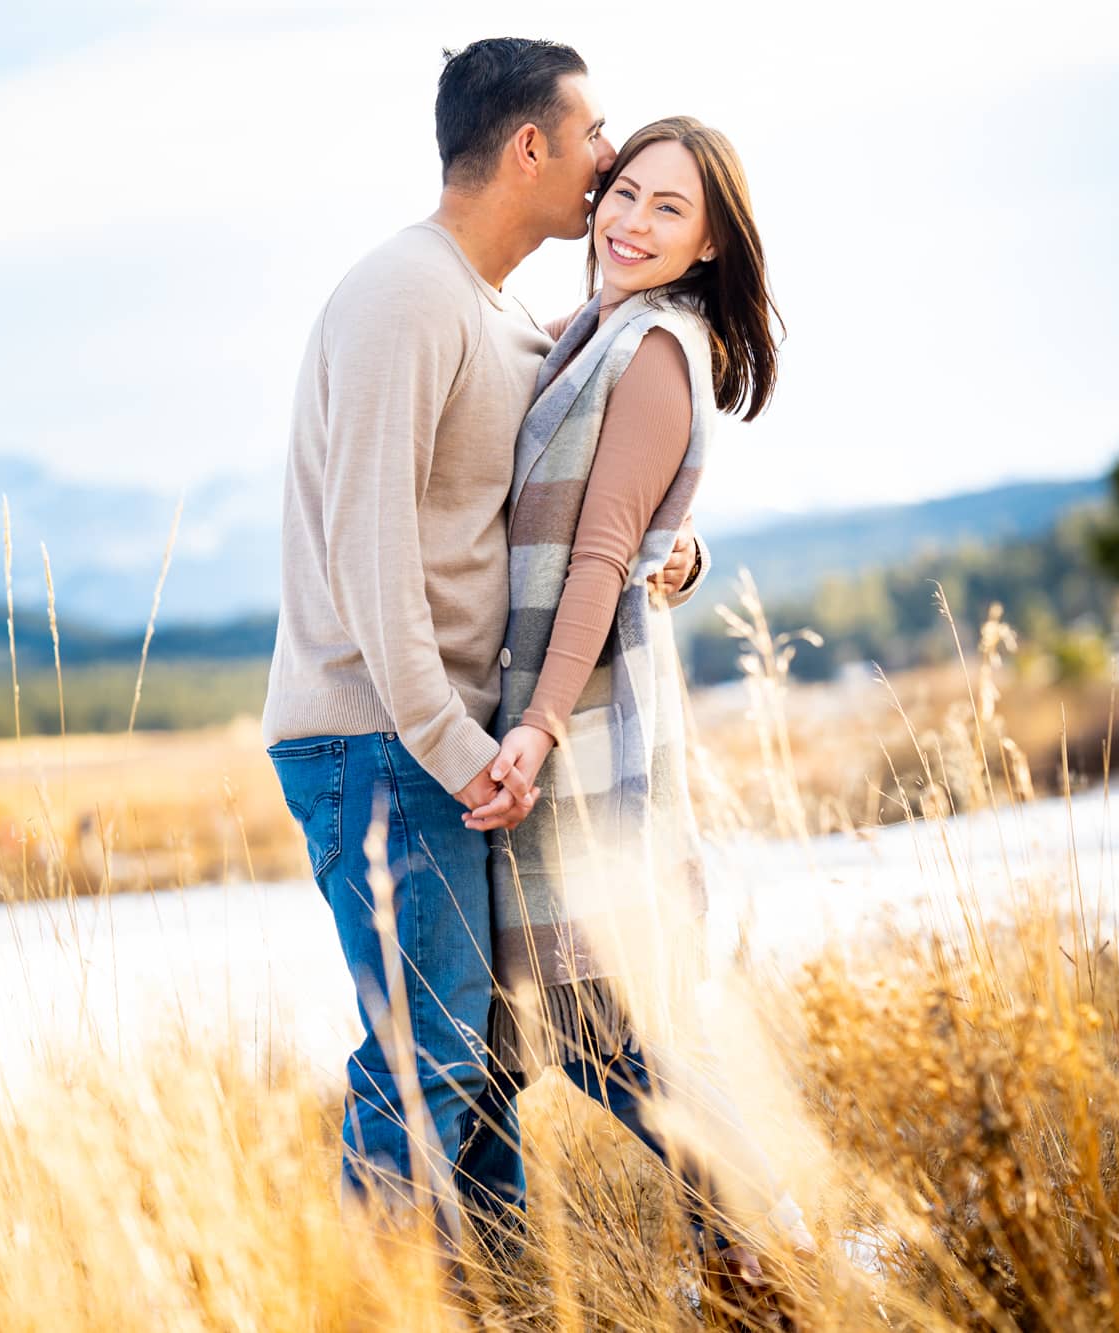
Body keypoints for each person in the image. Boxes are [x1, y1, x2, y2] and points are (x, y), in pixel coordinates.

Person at [260, 38, 705, 1242]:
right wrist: (451, 745)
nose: (609, 160)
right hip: (379, 738)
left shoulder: (494, 308)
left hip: (445, 742)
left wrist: (668, 545)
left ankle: (489, 1302)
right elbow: (368, 552)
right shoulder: (402, 294)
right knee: (435, 1051)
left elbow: (563, 497)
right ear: (529, 148)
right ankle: (364, 1303)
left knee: (487, 1057)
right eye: (594, 134)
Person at [474, 114, 815, 1308]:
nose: (627, 218)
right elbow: (638, 528)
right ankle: (717, 1262)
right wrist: (682, 549)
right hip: (551, 722)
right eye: (624, 190)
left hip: (578, 732)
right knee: (520, 1035)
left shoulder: (652, 349)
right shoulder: (594, 333)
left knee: (596, 1022)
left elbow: (599, 553)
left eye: (668, 209)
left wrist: (538, 722)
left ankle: (772, 1247)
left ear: (710, 243)